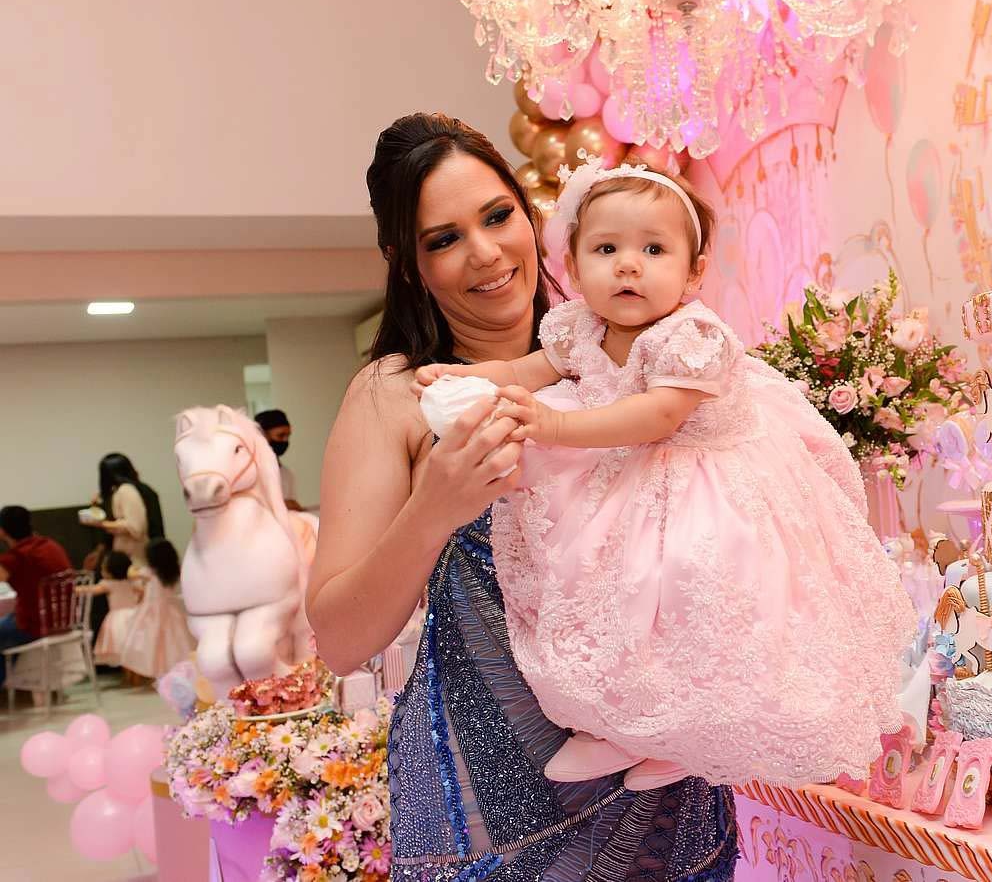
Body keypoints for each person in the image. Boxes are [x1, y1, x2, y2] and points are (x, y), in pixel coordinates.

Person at [307, 113, 736, 882]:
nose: (485, 252)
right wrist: (433, 507)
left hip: (664, 772)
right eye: (444, 239)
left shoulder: (633, 356)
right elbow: (338, 639)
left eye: (498, 215)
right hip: (490, 796)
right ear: (407, 264)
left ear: (531, 215)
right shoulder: (397, 395)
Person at [417, 158, 914, 790]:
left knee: (692, 592)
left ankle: (690, 738)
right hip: (628, 480)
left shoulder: (691, 336)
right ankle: (625, 730)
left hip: (707, 484)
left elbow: (658, 415)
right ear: (574, 267)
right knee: (607, 595)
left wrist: (556, 424)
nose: (629, 265)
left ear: (693, 270)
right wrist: (466, 376)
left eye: (654, 249)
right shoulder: (580, 328)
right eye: (607, 249)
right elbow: (522, 372)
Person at [0, 505, 73, 688]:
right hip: (64, 620)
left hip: (36, 624)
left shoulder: (16, 557)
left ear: (2, 531)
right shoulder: (50, 545)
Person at [120, 538, 195, 681]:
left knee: (153, 644)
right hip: (170, 610)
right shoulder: (173, 572)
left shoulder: (148, 572)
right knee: (172, 644)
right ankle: (172, 672)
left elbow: (130, 573)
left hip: (151, 613)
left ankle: (158, 672)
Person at [87, 454, 164, 567]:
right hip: (151, 551)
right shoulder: (142, 490)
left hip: (137, 555)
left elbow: (135, 527)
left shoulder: (125, 491)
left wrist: (101, 523)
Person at [81, 551, 141, 667]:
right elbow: (142, 593)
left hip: (118, 619)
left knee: (120, 645)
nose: (101, 569)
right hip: (135, 616)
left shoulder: (108, 584)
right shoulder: (132, 583)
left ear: (110, 571)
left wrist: (74, 589)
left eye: (103, 568)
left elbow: (91, 590)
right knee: (133, 647)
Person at [254, 409, 304, 511]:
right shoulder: (249, 472)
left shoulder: (287, 474)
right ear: (262, 435)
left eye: (288, 436)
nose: (285, 440)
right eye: (280, 435)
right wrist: (282, 505)